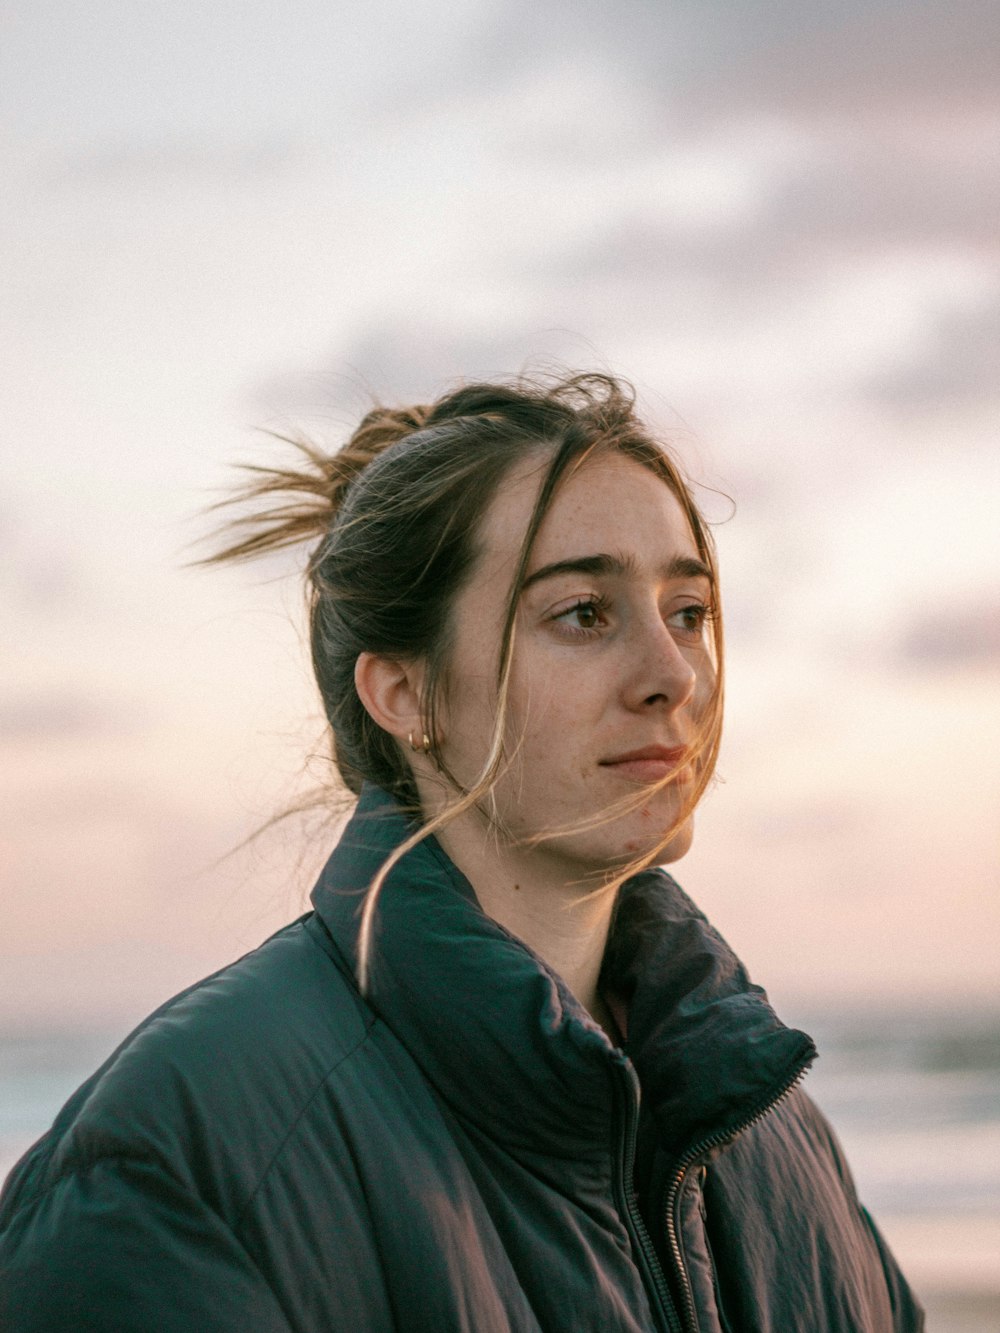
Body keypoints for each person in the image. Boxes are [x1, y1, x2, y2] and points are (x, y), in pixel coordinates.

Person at [0, 373, 923, 1331]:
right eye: (584, 614)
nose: (674, 675)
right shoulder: (181, 1163)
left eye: (688, 611)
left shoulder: (770, 1131)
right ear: (406, 693)